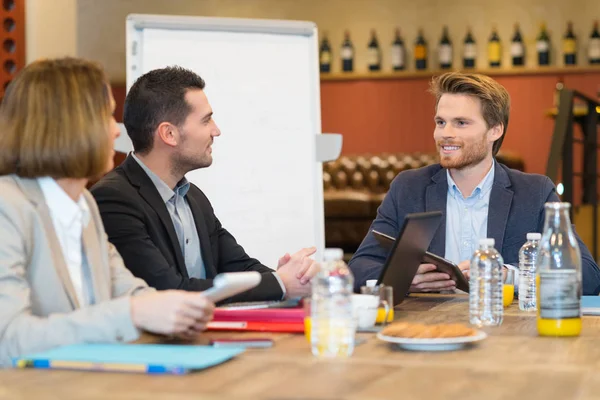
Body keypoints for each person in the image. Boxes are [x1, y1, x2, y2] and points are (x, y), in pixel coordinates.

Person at [0, 58, 215, 367]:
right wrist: (132, 313)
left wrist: (174, 308)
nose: (116, 133)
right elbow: (8, 339)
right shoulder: (7, 207)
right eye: (105, 117)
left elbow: (126, 289)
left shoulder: (84, 203)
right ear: (69, 127)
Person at [348, 72, 600, 296]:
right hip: (427, 330)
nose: (445, 133)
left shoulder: (535, 193)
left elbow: (588, 277)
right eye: (440, 122)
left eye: (461, 123)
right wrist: (402, 280)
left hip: (504, 332)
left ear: (495, 130)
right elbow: (359, 268)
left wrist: (508, 277)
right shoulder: (408, 187)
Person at [91, 66, 318, 302]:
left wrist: (294, 279)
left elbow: (239, 266)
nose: (216, 130)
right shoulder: (114, 199)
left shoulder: (194, 197)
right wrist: (280, 284)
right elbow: (168, 290)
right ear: (169, 134)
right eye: (206, 120)